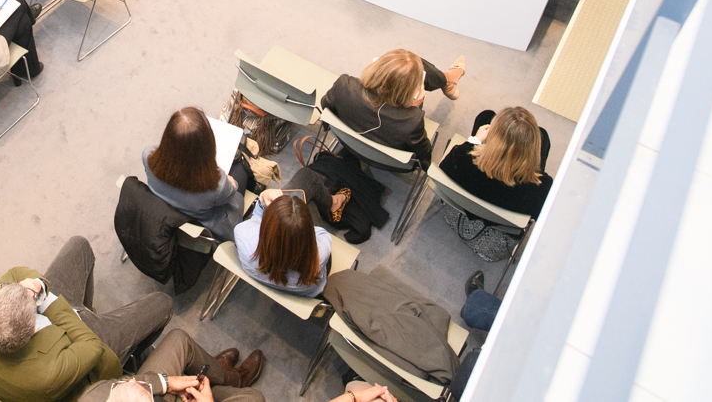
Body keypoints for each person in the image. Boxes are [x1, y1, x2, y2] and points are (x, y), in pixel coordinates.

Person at [0, 236, 172, 402]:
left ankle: (86, 308)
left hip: (55, 325)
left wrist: (36, 285)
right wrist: (50, 304)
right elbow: (92, 346)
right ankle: (132, 357)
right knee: (162, 304)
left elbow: (15, 273)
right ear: (33, 330)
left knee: (79, 246)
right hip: (80, 340)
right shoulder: (48, 375)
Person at [322, 49, 467, 166]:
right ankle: (447, 79)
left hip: (346, 142)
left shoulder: (345, 85)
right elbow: (423, 154)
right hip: (389, 164)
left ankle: (447, 79)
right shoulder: (412, 120)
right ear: (409, 91)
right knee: (414, 68)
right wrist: (413, 109)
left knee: (405, 66)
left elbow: (326, 107)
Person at [141, 107, 249, 240]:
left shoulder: (147, 156)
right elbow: (230, 193)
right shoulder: (217, 185)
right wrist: (232, 183)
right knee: (240, 169)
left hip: (166, 210)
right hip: (207, 225)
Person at [76, 329, 265, 402]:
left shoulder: (93, 397)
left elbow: (123, 384)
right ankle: (217, 385)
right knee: (254, 398)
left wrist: (165, 383)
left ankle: (228, 378)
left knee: (179, 340)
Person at [438, 107, 553, 219]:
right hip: (502, 227)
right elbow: (537, 214)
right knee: (542, 134)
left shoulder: (461, 159)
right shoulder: (542, 188)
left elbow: (442, 173)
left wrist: (474, 141)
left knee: (486, 116)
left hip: (461, 209)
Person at [233, 188, 332, 298]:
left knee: (288, 210)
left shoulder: (243, 235)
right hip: (305, 290)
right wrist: (298, 227)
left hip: (260, 277)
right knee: (310, 201)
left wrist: (263, 196)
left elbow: (255, 221)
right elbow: (320, 234)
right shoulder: (320, 254)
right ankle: (334, 202)